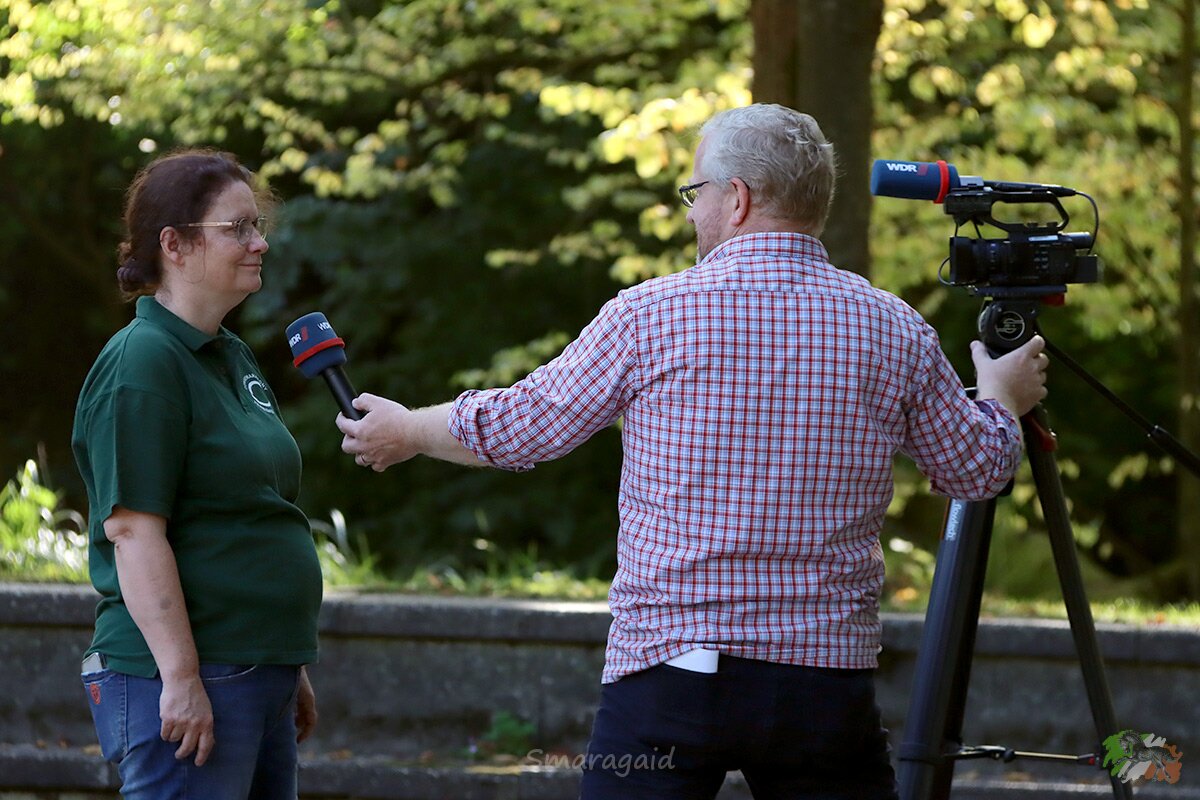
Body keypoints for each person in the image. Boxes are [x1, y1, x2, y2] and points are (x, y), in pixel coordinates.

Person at [336, 103, 1048, 799]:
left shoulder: (648, 316)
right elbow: (977, 469)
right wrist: (1000, 397)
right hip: (820, 686)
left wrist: (410, 430)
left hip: (668, 675)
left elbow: (526, 426)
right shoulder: (893, 327)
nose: (690, 211)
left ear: (737, 199)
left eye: (694, 191)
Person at [72, 149, 323, 800]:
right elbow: (133, 531)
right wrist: (181, 677)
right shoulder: (143, 363)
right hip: (186, 679)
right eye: (237, 228)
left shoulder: (228, 354)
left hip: (253, 670)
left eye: (256, 225)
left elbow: (251, 511)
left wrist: (282, 661)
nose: (259, 242)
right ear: (175, 245)